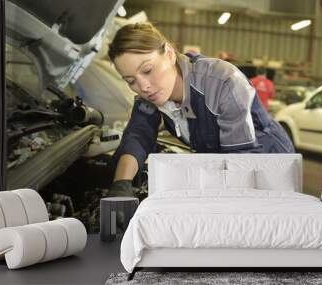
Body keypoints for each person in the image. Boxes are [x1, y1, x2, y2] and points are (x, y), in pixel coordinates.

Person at [107, 22, 294, 197]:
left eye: (147, 70)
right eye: (131, 81)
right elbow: (138, 135)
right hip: (228, 167)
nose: (144, 86)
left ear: (170, 54)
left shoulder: (223, 81)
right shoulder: (152, 95)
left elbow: (240, 160)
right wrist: (121, 184)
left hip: (269, 163)